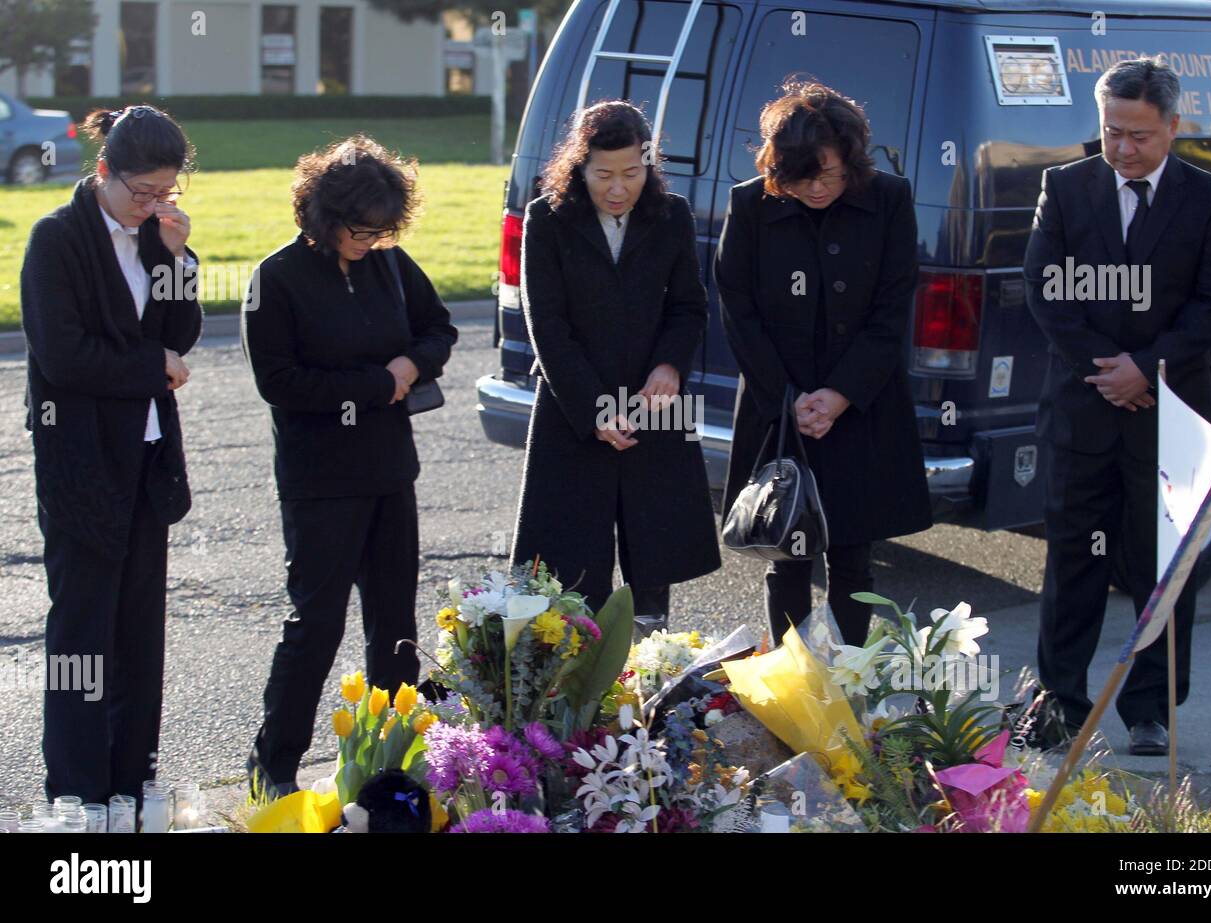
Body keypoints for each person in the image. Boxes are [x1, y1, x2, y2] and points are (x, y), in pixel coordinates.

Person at [1024, 58, 1211, 756]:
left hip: (1168, 414)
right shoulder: (1064, 187)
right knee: (1072, 562)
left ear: (1174, 128)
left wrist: (1144, 369)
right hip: (1082, 409)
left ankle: (1150, 710)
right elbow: (1046, 290)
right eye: (1112, 130)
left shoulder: (1210, 199)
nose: (1122, 148)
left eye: (1139, 135)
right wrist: (1107, 372)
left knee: (1160, 564)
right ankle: (1058, 704)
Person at [243, 135, 458, 794]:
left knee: (394, 623)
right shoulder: (274, 279)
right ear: (324, 215)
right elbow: (280, 381)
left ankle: (387, 759)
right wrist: (374, 384)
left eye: (383, 229)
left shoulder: (390, 264)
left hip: (390, 469)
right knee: (316, 624)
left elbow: (440, 328)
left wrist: (412, 363)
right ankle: (274, 765)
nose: (370, 240)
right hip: (320, 480)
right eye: (360, 230)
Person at [20, 104, 202, 805]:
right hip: (80, 462)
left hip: (147, 460)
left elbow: (182, 333)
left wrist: (181, 259)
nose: (153, 205)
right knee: (81, 637)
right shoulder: (56, 239)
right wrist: (149, 362)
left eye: (168, 192)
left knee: (137, 634)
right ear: (102, 171)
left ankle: (132, 784)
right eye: (142, 192)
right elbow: (63, 357)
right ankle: (75, 791)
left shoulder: (159, 238)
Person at [714, 78, 932, 647]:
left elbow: (892, 307)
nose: (817, 188)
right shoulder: (750, 204)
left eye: (831, 175)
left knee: (854, 557)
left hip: (861, 403)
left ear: (852, 161)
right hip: (779, 405)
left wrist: (839, 395)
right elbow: (737, 308)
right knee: (785, 554)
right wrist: (787, 399)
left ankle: (849, 683)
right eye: (802, 176)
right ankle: (792, 689)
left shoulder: (888, 199)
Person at [511, 100, 721, 625]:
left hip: (654, 403)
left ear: (648, 165)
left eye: (632, 172)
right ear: (579, 167)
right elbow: (547, 327)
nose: (617, 187)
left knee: (654, 557)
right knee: (570, 566)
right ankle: (580, 688)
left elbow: (688, 305)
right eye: (603, 174)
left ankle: (652, 677)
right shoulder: (547, 219)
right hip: (573, 403)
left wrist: (670, 366)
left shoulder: (671, 215)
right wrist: (594, 410)